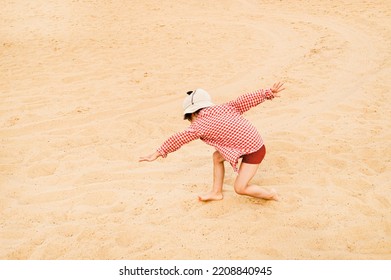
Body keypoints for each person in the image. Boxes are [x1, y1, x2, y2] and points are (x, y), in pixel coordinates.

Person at [139, 82, 285, 202]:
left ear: (193, 114)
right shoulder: (225, 107)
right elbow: (245, 99)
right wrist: (267, 93)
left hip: (254, 151)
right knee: (217, 157)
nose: (191, 122)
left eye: (190, 119)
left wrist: (159, 152)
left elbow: (178, 138)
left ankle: (271, 194)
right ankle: (216, 192)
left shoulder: (198, 125)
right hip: (249, 143)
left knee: (240, 188)